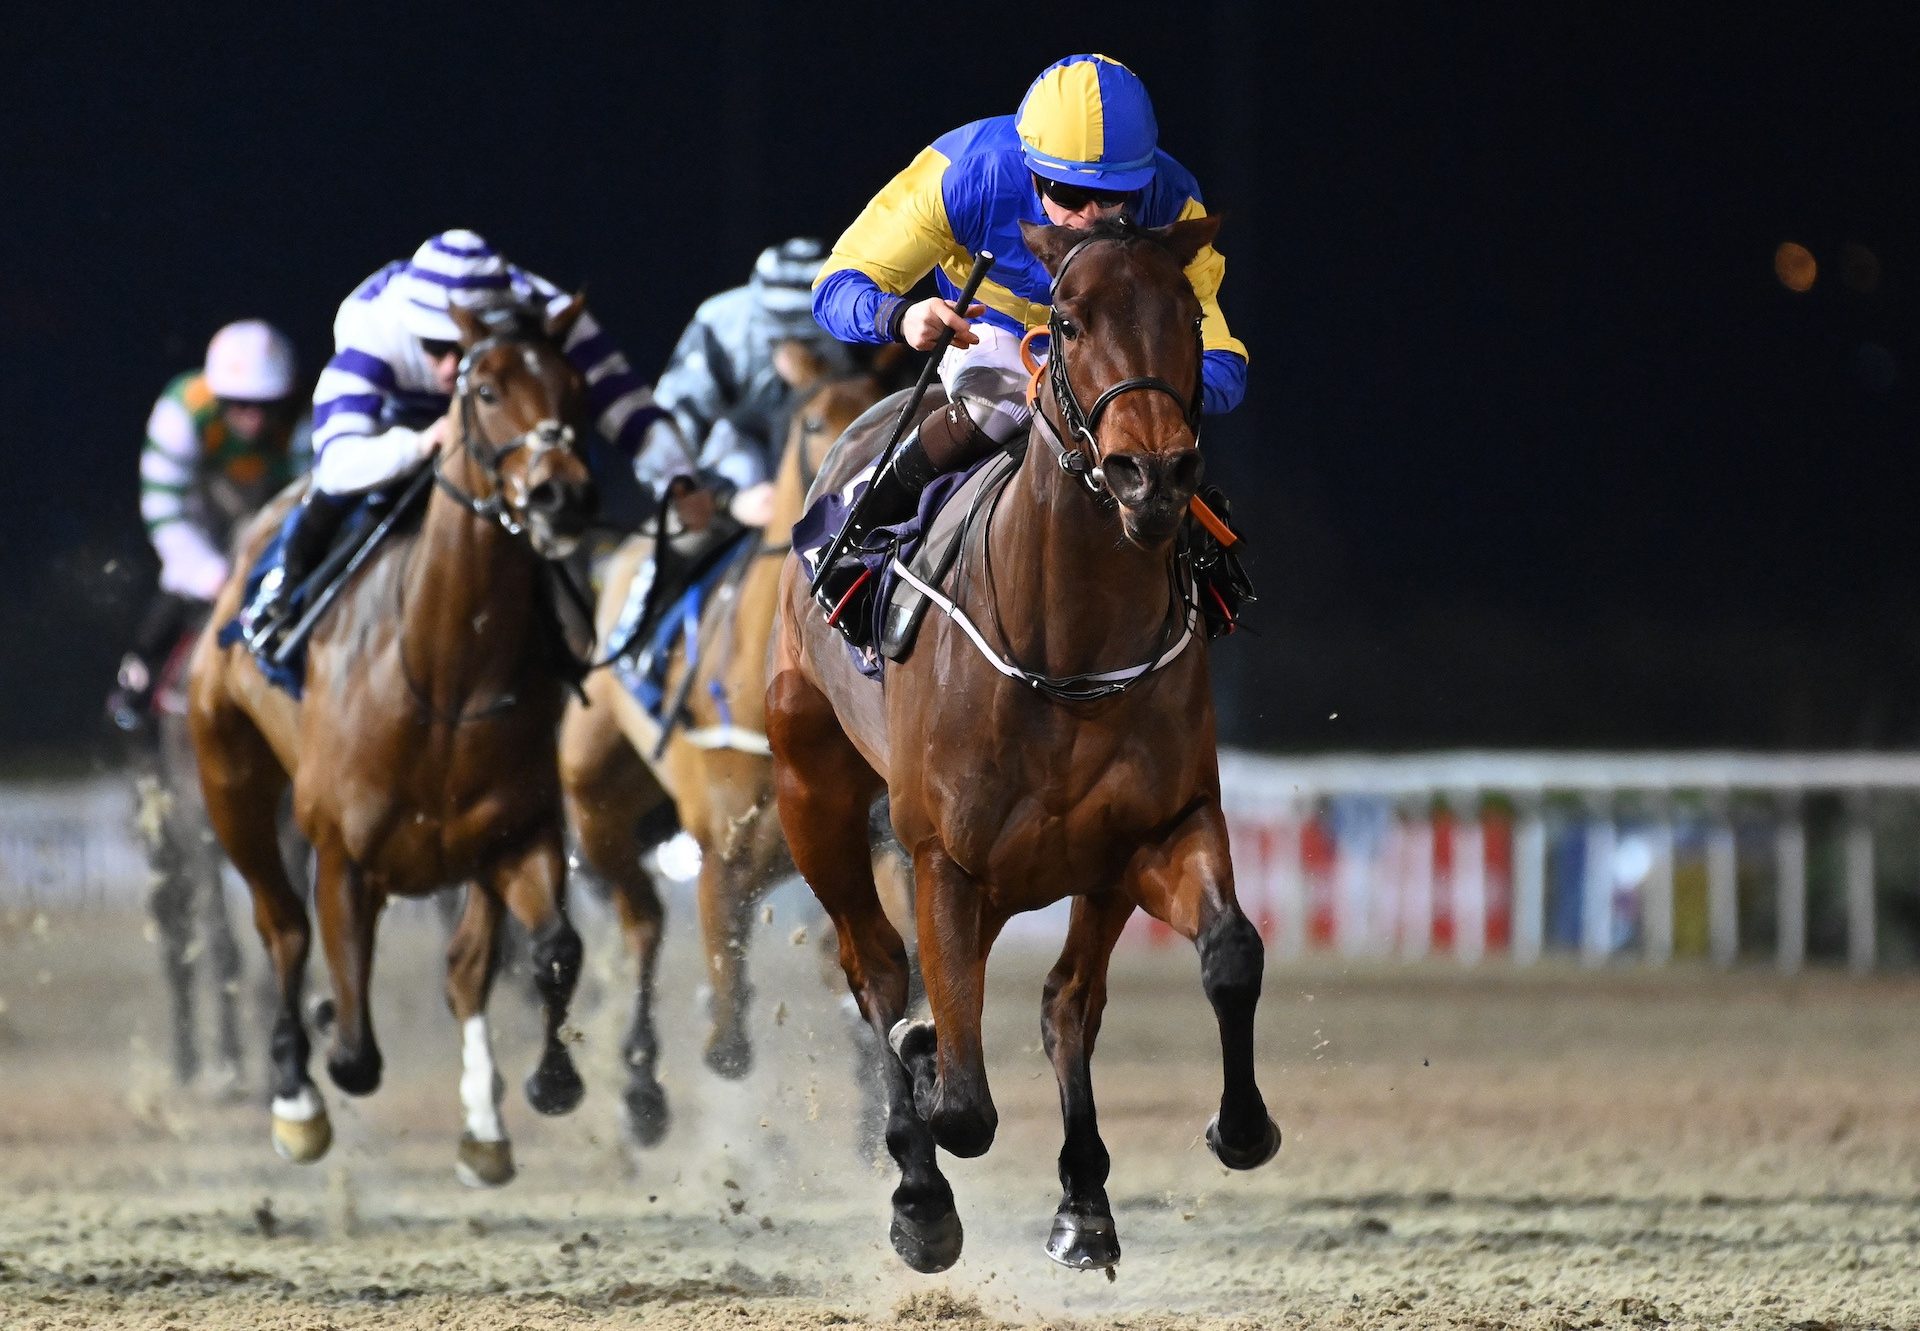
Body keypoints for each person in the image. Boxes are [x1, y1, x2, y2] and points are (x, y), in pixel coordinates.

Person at [808, 52, 1248, 637]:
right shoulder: (965, 174)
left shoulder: (1174, 202)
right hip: (995, 332)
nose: (1089, 217)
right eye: (1068, 193)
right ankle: (850, 525)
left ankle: (1202, 578)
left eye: (1116, 197)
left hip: (1108, 350)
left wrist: (1172, 388)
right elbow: (838, 284)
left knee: (1157, 435)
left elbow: (1220, 356)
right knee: (1006, 405)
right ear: (1031, 169)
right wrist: (901, 315)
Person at [237, 229, 674, 647]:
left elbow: (627, 401)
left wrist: (679, 483)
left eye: (461, 349)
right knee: (337, 497)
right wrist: (420, 444)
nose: (448, 367)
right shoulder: (374, 328)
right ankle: (280, 593)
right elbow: (336, 465)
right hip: (402, 421)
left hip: (498, 408)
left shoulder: (544, 307)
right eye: (434, 348)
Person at [108, 320, 305, 737]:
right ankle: (139, 677)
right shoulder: (182, 411)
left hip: (275, 508)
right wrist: (211, 576)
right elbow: (166, 512)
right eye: (240, 404)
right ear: (217, 396)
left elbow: (315, 502)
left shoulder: (308, 415)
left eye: (267, 405)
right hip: (205, 510)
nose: (254, 419)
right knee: (181, 585)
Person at [639, 236, 854, 533]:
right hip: (728, 465)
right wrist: (727, 500)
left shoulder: (854, 332)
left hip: (817, 474)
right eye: (789, 342)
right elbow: (662, 441)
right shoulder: (720, 331)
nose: (804, 361)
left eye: (814, 345)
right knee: (678, 538)